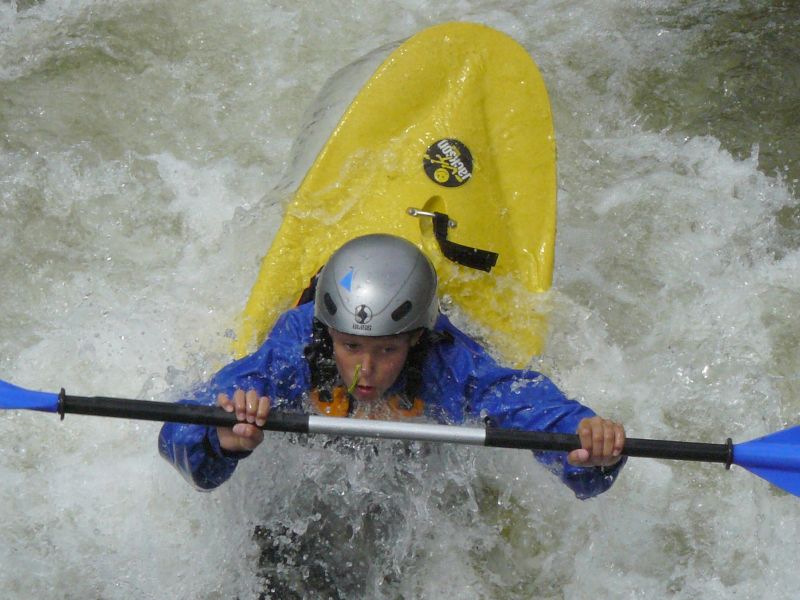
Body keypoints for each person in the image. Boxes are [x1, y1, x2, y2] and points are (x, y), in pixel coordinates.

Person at [159, 234, 626, 498]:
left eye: (386, 351)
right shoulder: (299, 343)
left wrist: (585, 441)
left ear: (416, 339)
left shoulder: (447, 358)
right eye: (350, 348)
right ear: (328, 335)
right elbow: (180, 433)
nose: (366, 370)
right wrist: (218, 439)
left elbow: (520, 401)